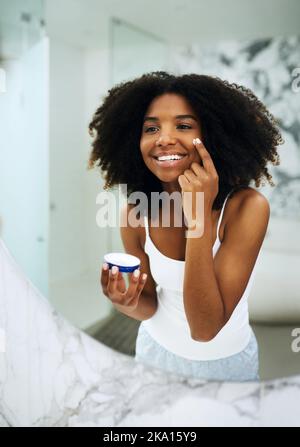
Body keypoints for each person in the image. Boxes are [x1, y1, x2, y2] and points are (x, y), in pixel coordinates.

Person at [89, 71, 283, 381]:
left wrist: (198, 217)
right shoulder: (136, 213)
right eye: (151, 128)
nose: (164, 138)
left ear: (213, 136)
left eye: (183, 125)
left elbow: (205, 329)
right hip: (155, 354)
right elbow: (150, 306)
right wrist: (126, 302)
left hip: (226, 365)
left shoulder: (247, 207)